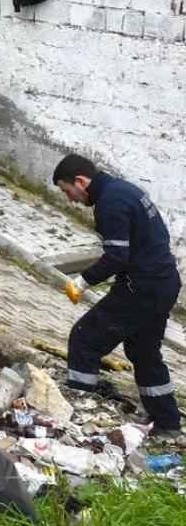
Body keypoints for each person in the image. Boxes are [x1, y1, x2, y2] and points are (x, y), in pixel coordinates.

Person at [53, 154, 181, 436]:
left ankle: (77, 410)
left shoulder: (110, 203)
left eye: (67, 191)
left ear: (81, 182)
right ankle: (168, 423)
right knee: (144, 352)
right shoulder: (125, 190)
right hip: (164, 282)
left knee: (85, 339)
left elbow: (116, 257)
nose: (69, 199)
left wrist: (82, 281)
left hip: (142, 289)